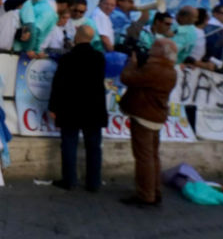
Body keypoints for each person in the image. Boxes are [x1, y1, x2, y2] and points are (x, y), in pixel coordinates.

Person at [119, 38, 179, 208]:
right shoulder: (170, 70)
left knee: (144, 157)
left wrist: (132, 64)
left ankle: (145, 194)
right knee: (153, 156)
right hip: (157, 115)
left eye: (154, 46)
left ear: (160, 50)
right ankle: (154, 190)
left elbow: (127, 78)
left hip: (144, 114)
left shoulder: (155, 68)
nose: (150, 49)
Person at [49, 24, 107, 192]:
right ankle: (94, 182)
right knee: (94, 146)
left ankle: (70, 180)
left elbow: (58, 84)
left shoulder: (68, 58)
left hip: (70, 107)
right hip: (94, 108)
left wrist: (53, 106)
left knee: (69, 143)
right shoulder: (99, 57)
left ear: (77, 36)